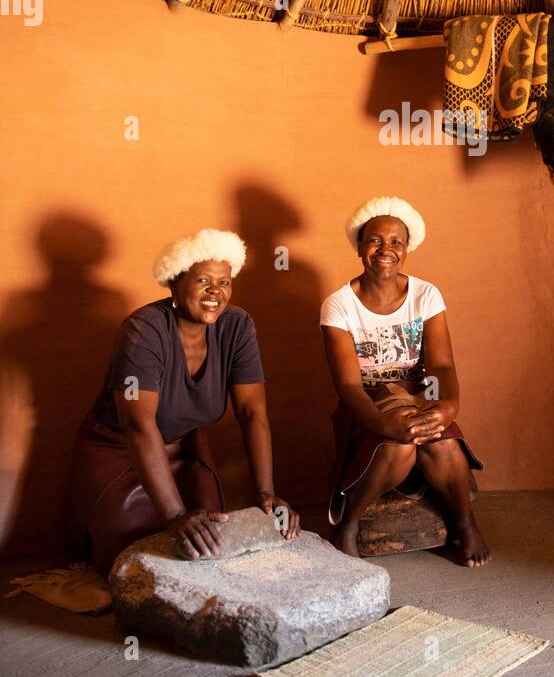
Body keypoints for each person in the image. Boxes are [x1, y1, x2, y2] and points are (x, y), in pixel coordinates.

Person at [64, 228, 299, 575]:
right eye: (202, 280)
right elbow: (137, 425)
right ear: (173, 284)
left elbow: (252, 412)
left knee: (208, 545)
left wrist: (266, 494)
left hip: (184, 450)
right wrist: (174, 515)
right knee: (133, 563)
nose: (214, 292)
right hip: (119, 451)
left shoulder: (237, 326)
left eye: (224, 281)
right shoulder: (143, 330)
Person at [321, 197, 489, 567]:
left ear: (407, 249)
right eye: (375, 240)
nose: (386, 249)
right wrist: (384, 423)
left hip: (416, 396)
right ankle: (347, 526)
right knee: (399, 447)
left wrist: (448, 406)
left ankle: (464, 523)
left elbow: (442, 366)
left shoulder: (426, 295)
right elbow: (348, 386)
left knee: (445, 445)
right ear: (360, 247)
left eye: (396, 242)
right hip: (366, 402)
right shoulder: (339, 304)